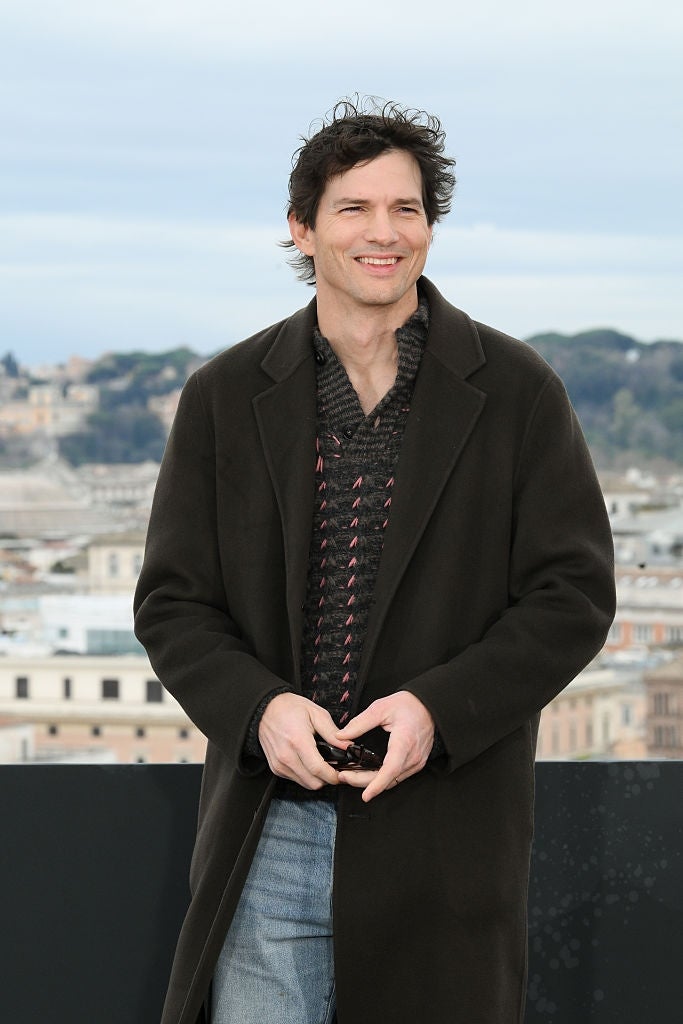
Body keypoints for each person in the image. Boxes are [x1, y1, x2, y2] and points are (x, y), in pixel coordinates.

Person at [133, 98, 615, 1024]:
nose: (383, 233)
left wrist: (437, 710)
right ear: (302, 228)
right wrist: (259, 709)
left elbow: (572, 597)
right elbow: (173, 603)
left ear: (430, 226)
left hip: (443, 833)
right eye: (353, 208)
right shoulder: (222, 396)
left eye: (406, 208)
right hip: (265, 833)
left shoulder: (518, 390)